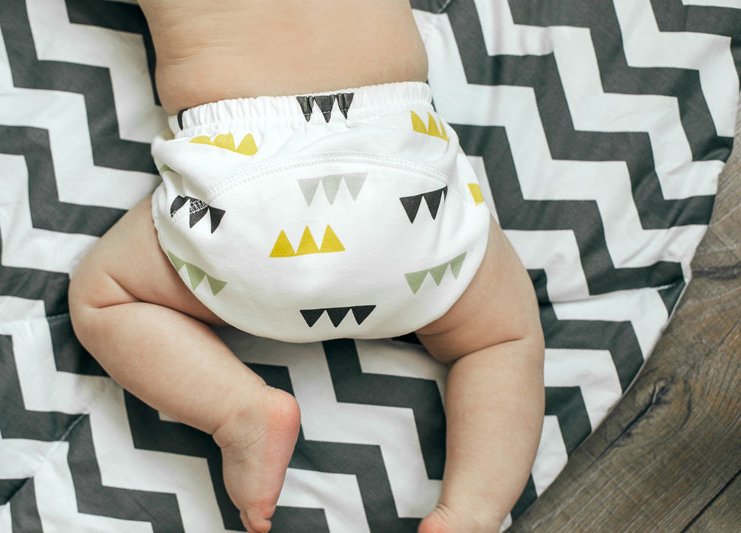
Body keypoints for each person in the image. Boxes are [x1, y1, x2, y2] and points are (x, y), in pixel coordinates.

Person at [68, 1, 545, 531]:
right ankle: (472, 511)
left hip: (243, 190)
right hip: (399, 176)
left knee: (103, 297)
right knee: (502, 341)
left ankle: (240, 409)